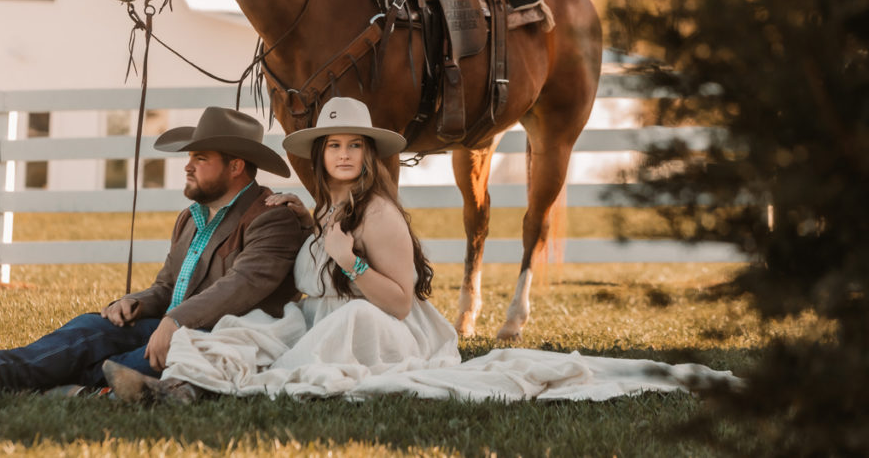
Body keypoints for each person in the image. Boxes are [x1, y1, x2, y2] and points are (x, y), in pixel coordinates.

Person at [102, 97, 741, 404]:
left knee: (336, 330)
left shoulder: (378, 213)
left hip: (382, 329)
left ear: (370, 156)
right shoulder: (322, 209)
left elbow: (399, 299)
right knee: (249, 326)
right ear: (322, 157)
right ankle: (173, 384)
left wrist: (349, 260)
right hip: (324, 320)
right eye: (334, 146)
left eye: (355, 145)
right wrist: (308, 218)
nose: (345, 154)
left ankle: (189, 394)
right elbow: (308, 265)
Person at [0, 106, 311, 396]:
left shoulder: (270, 218)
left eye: (200, 158)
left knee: (117, 365)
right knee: (91, 328)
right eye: (189, 157)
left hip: (221, 339)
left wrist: (173, 322)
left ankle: (24, 387)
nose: (187, 167)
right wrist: (136, 302)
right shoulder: (191, 219)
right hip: (172, 327)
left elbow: (240, 288)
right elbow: (168, 284)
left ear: (236, 165)